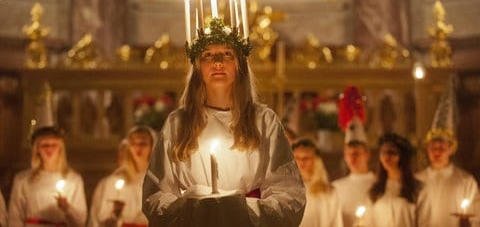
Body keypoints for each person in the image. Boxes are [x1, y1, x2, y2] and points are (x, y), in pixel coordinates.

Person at [142, 17, 306, 227]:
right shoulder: (178, 123)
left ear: (240, 65)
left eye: (227, 54)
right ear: (197, 67)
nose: (217, 62)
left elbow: (289, 195)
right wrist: (195, 208)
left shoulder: (264, 121)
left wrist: (235, 209)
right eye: (208, 55)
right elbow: (155, 195)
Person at [416, 76, 479, 227]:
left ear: (451, 149)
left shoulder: (465, 181)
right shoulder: (417, 179)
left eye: (441, 148)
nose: (436, 152)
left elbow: (476, 215)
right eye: (433, 147)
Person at [8, 126, 87, 227]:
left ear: (60, 149)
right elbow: (15, 217)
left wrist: (67, 208)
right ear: (37, 149)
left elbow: (80, 221)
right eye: (44, 145)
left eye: (54, 145)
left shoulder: (74, 180)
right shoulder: (22, 179)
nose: (49, 149)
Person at [89, 126, 155, 227]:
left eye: (143, 144)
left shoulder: (158, 178)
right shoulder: (116, 179)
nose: (138, 148)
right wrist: (115, 213)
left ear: (152, 146)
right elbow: (101, 218)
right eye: (133, 144)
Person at [333, 86, 375, 227]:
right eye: (348, 154)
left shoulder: (377, 184)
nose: (352, 158)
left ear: (367, 155)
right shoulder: (336, 188)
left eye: (356, 153)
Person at [369, 133, 425, 227]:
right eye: (383, 152)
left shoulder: (417, 189)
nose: (387, 156)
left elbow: (424, 222)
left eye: (391, 152)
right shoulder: (375, 190)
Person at [292, 138, 343, 227]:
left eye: (306, 158)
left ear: (316, 160)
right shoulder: (287, 189)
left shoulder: (329, 191)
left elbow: (336, 221)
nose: (301, 162)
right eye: (297, 158)